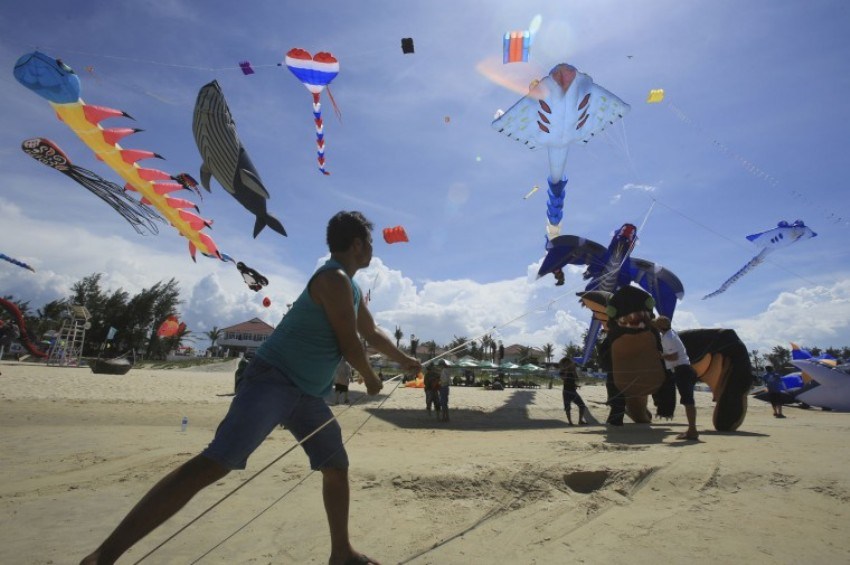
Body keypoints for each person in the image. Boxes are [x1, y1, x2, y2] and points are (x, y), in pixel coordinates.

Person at [80, 211, 421, 565]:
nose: (371, 250)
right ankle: (103, 555)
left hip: (305, 394)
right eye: (369, 243)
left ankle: (341, 553)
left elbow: (372, 332)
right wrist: (369, 377)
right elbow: (350, 342)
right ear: (357, 244)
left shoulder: (349, 288)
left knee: (335, 466)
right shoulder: (333, 279)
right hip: (273, 379)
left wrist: (404, 359)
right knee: (216, 462)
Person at [653, 316, 700, 440]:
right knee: (688, 401)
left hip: (682, 370)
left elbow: (674, 357)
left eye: (656, 325)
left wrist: (661, 356)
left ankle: (692, 430)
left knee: (688, 401)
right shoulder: (670, 334)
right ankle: (692, 429)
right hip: (684, 369)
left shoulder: (668, 338)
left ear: (660, 327)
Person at [558, 357, 587, 425]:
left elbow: (576, 378)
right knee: (567, 408)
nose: (568, 364)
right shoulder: (562, 371)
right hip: (566, 392)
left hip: (573, 391)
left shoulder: (572, 370)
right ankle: (570, 422)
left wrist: (573, 371)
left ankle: (580, 421)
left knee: (582, 405)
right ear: (563, 364)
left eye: (569, 363)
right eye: (566, 363)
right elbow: (564, 378)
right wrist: (567, 370)